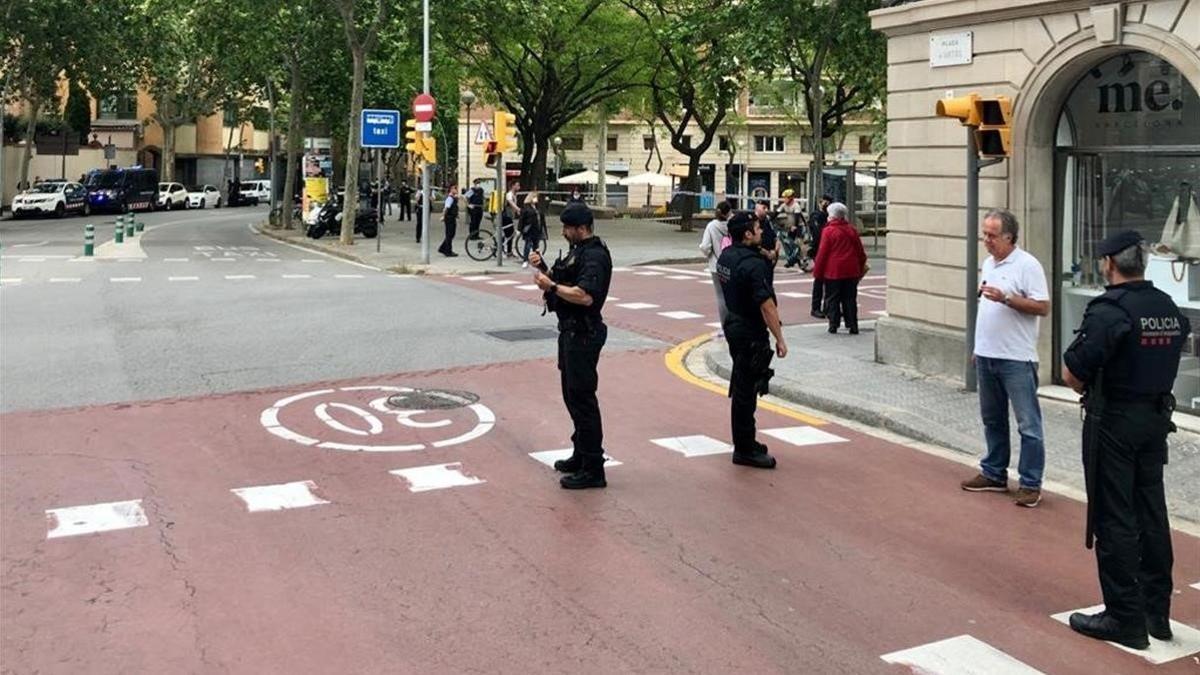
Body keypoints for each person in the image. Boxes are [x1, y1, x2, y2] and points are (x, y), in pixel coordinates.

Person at [1061, 230, 1189, 650]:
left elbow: (1071, 373)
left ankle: (1123, 617)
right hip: (1155, 419)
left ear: (1108, 263)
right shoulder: (1166, 307)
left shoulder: (1109, 310)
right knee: (1151, 512)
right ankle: (1157, 613)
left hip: (1114, 421)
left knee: (1114, 515)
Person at [959, 208, 1051, 507]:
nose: (986, 240)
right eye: (985, 234)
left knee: (1028, 424)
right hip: (987, 354)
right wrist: (978, 346)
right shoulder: (989, 263)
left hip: (1016, 358)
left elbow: (1042, 306)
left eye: (992, 235)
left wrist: (1008, 298)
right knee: (992, 419)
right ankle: (994, 472)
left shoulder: (1028, 265)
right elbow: (985, 309)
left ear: (1009, 237)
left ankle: (1030, 482)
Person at [529, 202, 613, 489]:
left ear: (582, 228)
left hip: (584, 334)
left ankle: (593, 468)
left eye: (567, 228)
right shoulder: (579, 252)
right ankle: (581, 454)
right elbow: (564, 277)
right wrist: (543, 268)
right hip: (570, 333)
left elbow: (585, 296)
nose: (564, 232)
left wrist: (550, 287)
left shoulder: (595, 256)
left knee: (583, 399)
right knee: (571, 395)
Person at [717, 211, 788, 469]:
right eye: (758, 227)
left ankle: (746, 442)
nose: (761, 231)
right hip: (750, 330)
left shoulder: (726, 257)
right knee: (747, 390)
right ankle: (745, 448)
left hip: (733, 323)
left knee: (742, 385)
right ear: (747, 234)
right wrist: (779, 338)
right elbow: (767, 305)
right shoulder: (753, 264)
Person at [812, 202, 867, 335]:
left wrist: (817, 272)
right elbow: (860, 252)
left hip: (833, 271)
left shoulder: (828, 231)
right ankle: (853, 324)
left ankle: (833, 324)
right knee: (850, 299)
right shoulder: (852, 230)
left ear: (832, 216)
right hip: (851, 270)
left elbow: (823, 253)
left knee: (832, 298)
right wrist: (860, 268)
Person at [699, 201, 733, 324]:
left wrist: (709, 255)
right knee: (734, 294)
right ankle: (736, 321)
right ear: (728, 212)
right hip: (733, 264)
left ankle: (725, 324)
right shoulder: (732, 225)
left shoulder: (712, 226)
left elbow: (705, 246)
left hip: (716, 265)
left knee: (721, 296)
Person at [808, 195, 832, 318]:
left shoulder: (829, 217)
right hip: (818, 250)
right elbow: (817, 233)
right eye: (824, 202)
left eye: (828, 203)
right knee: (819, 279)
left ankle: (828, 306)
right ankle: (816, 307)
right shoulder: (816, 216)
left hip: (828, 251)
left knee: (829, 280)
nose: (825, 205)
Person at [518, 190, 544, 267]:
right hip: (529, 229)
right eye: (535, 197)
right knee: (528, 245)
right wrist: (519, 229)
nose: (536, 199)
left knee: (536, 246)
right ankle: (525, 260)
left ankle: (536, 260)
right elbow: (521, 219)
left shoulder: (537, 207)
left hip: (537, 229)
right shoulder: (526, 208)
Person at [438, 185, 459, 257]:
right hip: (449, 218)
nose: (456, 189)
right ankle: (448, 251)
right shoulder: (450, 198)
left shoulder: (454, 198)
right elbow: (446, 208)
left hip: (452, 217)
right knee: (449, 234)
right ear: (451, 190)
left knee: (451, 234)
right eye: (455, 188)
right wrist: (443, 216)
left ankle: (443, 248)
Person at [503, 181, 520, 257]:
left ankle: (508, 251)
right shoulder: (509, 194)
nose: (519, 187)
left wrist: (517, 211)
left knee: (510, 234)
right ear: (513, 186)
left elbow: (514, 205)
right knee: (509, 234)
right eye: (517, 185)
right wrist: (518, 209)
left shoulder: (514, 195)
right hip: (506, 217)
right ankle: (504, 250)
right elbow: (511, 203)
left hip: (509, 217)